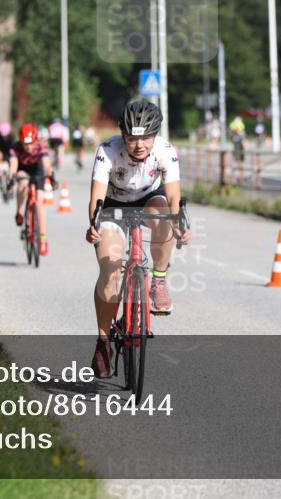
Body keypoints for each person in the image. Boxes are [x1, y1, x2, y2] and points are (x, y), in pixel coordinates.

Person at [85, 100, 193, 378]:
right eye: (132, 138)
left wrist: (180, 223)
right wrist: (94, 223)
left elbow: (173, 197)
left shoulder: (166, 151)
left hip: (148, 200)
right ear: (123, 136)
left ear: (155, 135)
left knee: (165, 215)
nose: (139, 144)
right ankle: (103, 340)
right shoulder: (107, 151)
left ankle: (158, 280)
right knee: (110, 270)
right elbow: (96, 196)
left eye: (146, 137)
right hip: (112, 205)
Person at [9, 123, 54, 256]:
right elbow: (13, 165)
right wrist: (12, 176)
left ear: (36, 140)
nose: (28, 147)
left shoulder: (41, 147)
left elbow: (46, 164)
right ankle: (20, 212)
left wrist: (50, 173)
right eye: (25, 144)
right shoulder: (15, 148)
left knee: (39, 203)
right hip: (22, 169)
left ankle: (43, 239)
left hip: (37, 170)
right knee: (22, 184)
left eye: (31, 144)